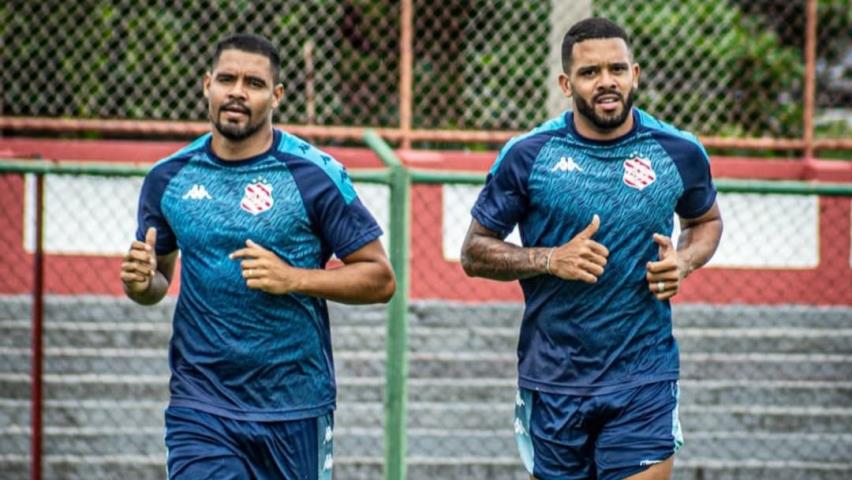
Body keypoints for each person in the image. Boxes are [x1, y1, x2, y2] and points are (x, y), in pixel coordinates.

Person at [119, 33, 395, 480]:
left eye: (254, 83)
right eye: (226, 79)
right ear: (207, 84)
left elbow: (380, 278)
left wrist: (294, 278)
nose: (237, 92)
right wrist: (139, 283)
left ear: (277, 95)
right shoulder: (167, 177)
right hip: (201, 403)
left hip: (295, 405)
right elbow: (157, 283)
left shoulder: (315, 175)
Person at [460, 17, 723, 480]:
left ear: (635, 74)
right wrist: (547, 258)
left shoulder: (678, 150)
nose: (606, 82)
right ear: (566, 83)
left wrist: (685, 260)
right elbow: (474, 252)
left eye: (617, 69)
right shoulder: (528, 154)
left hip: (644, 373)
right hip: (553, 378)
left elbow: (705, 221)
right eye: (589, 72)